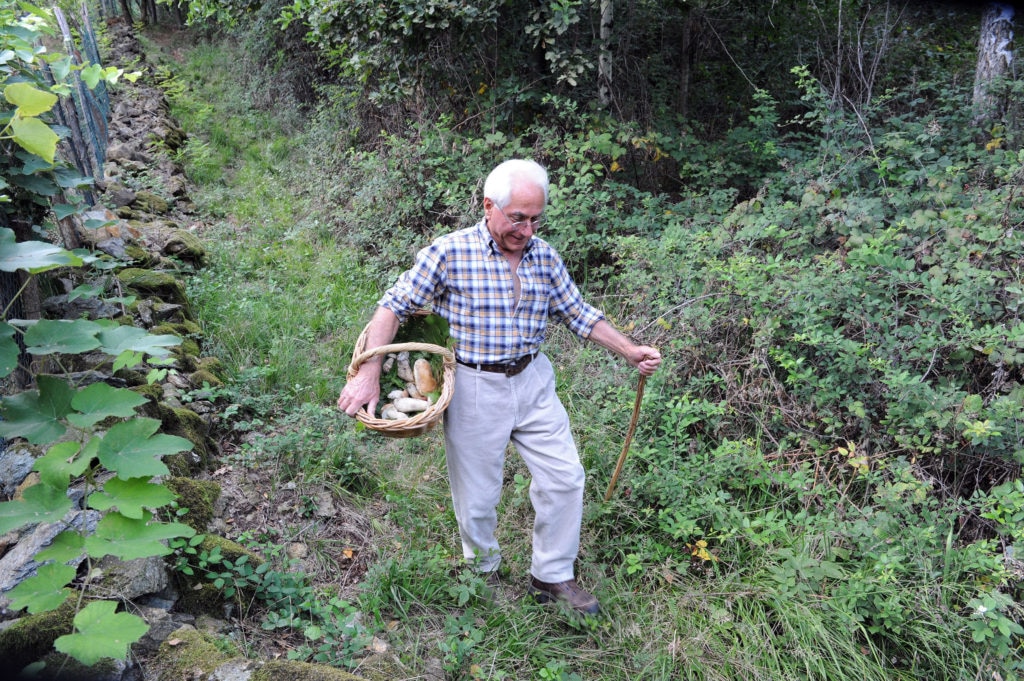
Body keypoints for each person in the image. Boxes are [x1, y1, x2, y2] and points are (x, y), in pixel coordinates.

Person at [337, 159, 661, 614]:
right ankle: (483, 570)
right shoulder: (449, 253)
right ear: (489, 206)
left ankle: (551, 577)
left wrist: (629, 351)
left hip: (533, 380)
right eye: (517, 218)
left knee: (565, 478)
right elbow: (392, 306)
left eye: (535, 219)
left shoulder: (544, 256)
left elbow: (578, 313)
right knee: (478, 497)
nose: (527, 230)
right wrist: (369, 369)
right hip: (474, 385)